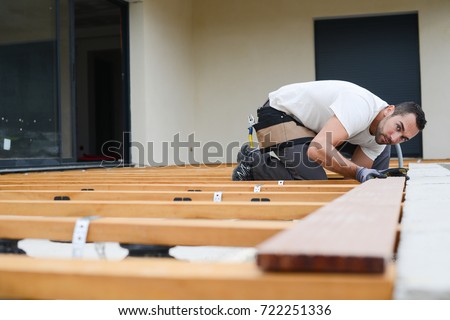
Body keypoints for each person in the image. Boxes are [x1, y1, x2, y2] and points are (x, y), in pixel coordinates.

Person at [232, 80, 427, 182]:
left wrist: (365, 175)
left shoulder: (381, 138)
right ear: (389, 110)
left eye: (403, 138)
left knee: (382, 153)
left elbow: (352, 173)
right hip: (280, 112)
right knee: (314, 179)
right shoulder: (361, 106)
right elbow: (317, 150)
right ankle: (254, 163)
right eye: (398, 127)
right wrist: (359, 172)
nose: (394, 138)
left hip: (309, 128)